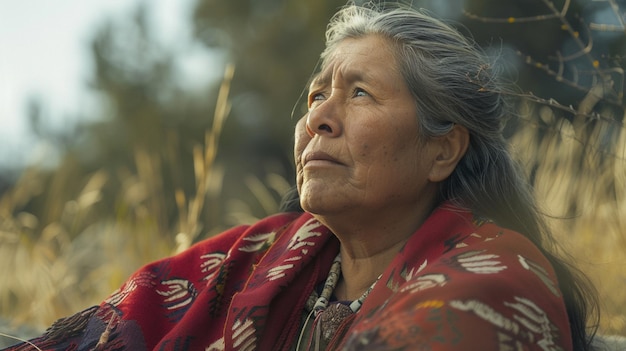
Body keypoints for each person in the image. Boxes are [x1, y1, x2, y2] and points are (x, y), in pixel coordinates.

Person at [3, 3, 598, 351]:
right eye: (316, 95)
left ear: (441, 151)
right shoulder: (259, 258)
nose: (318, 117)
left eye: (359, 93)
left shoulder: (498, 276)